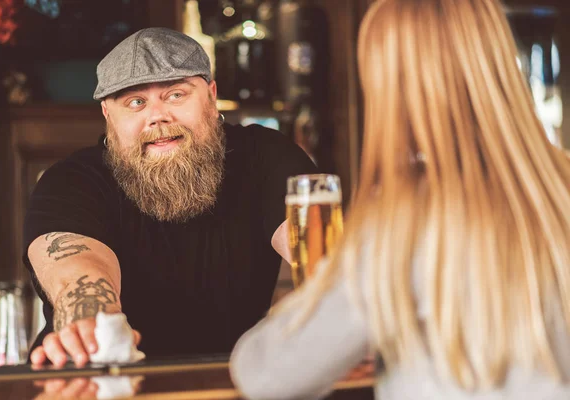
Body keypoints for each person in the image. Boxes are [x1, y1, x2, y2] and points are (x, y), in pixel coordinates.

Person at [229, 0, 570, 398]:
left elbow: (265, 374)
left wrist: (314, 307)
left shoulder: (403, 221)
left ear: (392, 86)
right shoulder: (558, 185)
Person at [25, 27, 317, 367]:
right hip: (100, 377)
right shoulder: (71, 182)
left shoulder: (267, 157)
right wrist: (92, 328)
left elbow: (325, 257)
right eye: (136, 102)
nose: (158, 116)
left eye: (176, 95)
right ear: (108, 113)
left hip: (233, 382)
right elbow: (80, 277)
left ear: (210, 94)